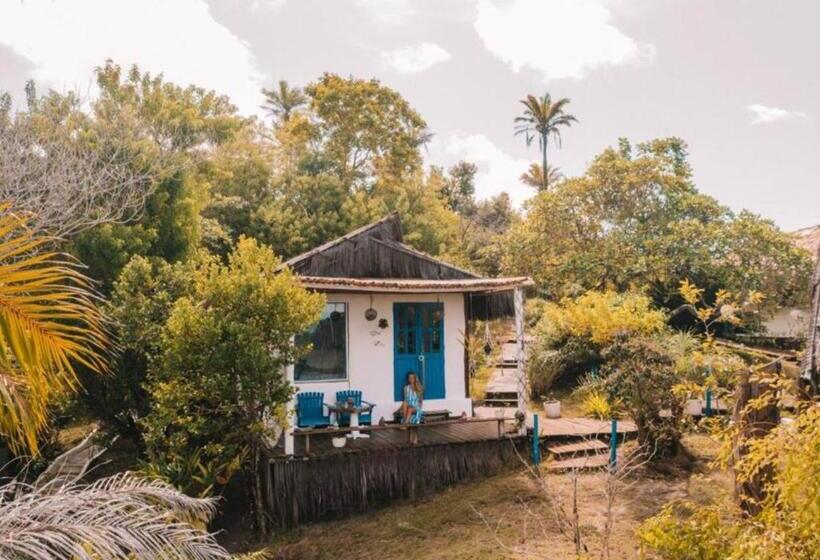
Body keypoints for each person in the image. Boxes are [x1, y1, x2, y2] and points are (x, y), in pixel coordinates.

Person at [401, 371, 424, 444]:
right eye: (410, 378)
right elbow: (405, 400)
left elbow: (420, 401)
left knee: (410, 409)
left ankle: (405, 424)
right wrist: (398, 410)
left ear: (415, 378)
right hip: (408, 407)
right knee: (405, 403)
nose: (411, 379)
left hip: (416, 407)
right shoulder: (406, 388)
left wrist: (419, 408)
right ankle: (406, 422)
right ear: (408, 379)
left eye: (413, 377)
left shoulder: (419, 387)